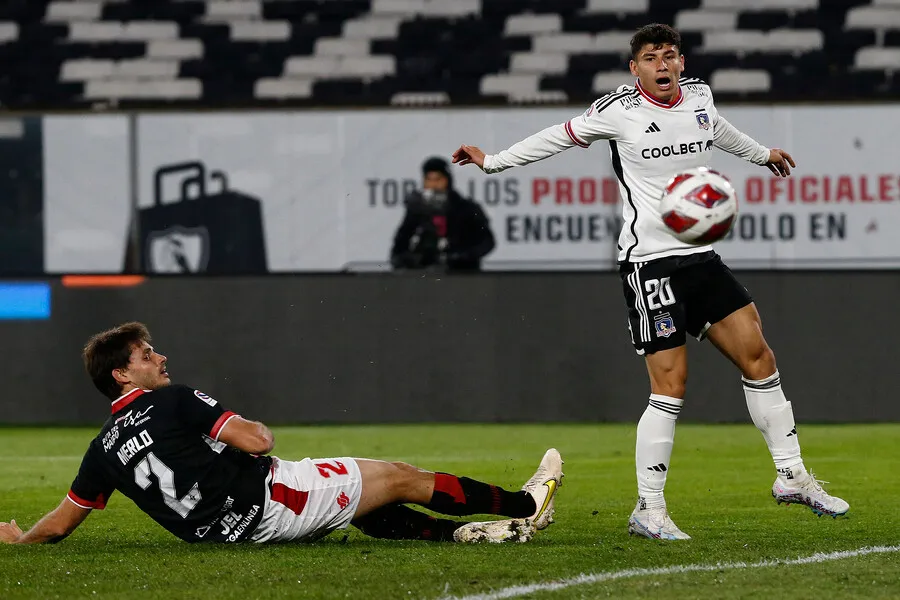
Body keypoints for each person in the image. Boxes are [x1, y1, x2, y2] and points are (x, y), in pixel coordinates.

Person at [451, 23, 848, 540]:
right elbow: (558, 136)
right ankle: (649, 508)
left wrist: (763, 154)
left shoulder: (700, 97)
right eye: (650, 57)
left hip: (701, 258)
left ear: (681, 62)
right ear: (634, 68)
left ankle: (791, 476)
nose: (661, 64)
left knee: (760, 357)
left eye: (669, 55)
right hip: (651, 264)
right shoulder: (617, 110)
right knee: (671, 386)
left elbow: (718, 130)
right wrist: (495, 162)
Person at [0, 322, 562, 545]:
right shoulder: (172, 400)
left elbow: (62, 521)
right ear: (123, 374)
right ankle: (525, 504)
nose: (160, 357)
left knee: (365, 500)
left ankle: (465, 537)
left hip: (219, 533)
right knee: (397, 477)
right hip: (266, 504)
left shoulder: (102, 448)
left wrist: (20, 540)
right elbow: (258, 443)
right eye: (148, 355)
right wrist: (236, 425)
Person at [390, 156, 495, 272]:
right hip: (424, 275)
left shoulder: (466, 209)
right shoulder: (416, 210)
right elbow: (400, 243)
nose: (434, 185)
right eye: (429, 180)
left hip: (460, 274)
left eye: (438, 179)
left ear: (447, 180)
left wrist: (462, 256)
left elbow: (486, 242)